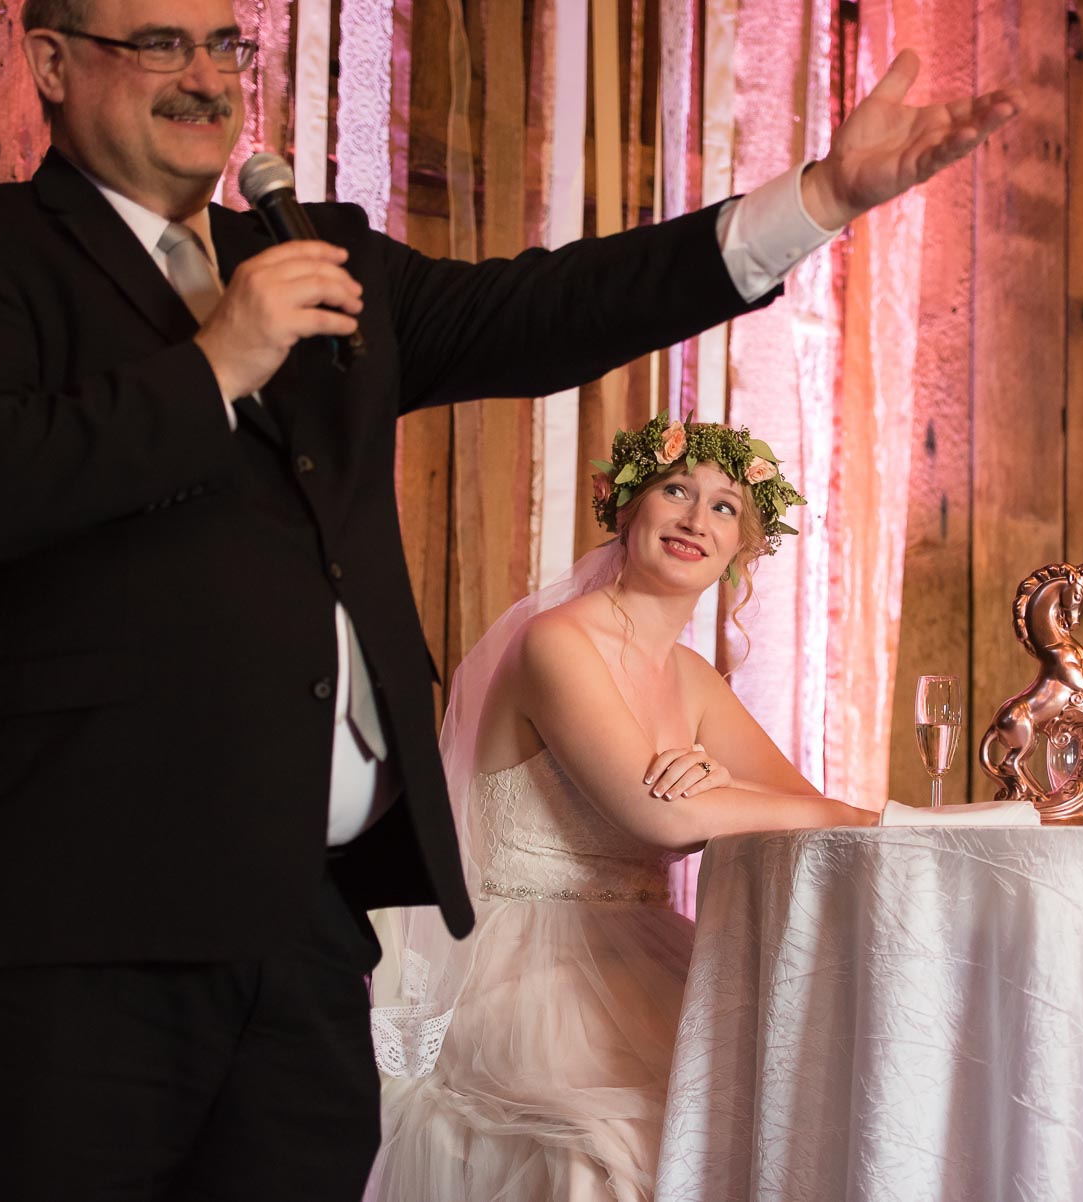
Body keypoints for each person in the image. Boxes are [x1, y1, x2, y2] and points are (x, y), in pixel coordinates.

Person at [0, 0, 1019, 1194]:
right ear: (49, 61)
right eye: (158, 43)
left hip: (300, 923)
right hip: (69, 920)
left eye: (224, 45)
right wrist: (212, 367)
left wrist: (812, 199)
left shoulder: (315, 257)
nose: (203, 78)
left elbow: (546, 309)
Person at [366, 414, 877, 1201]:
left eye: (725, 507)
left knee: (781, 1115)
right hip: (514, 966)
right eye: (676, 490)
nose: (694, 520)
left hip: (638, 951)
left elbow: (798, 807)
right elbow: (662, 819)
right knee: (619, 1139)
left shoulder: (694, 680)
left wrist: (722, 784)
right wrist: (762, 802)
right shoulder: (557, 642)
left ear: (745, 545)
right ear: (627, 507)